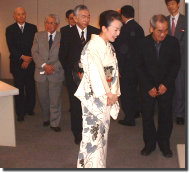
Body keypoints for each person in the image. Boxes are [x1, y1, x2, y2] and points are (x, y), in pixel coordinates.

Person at [75, 10, 122, 168]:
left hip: (107, 96)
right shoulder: (92, 47)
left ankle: (99, 166)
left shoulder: (109, 46)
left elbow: (114, 71)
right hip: (96, 98)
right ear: (104, 27)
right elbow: (94, 73)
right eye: (115, 29)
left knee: (102, 136)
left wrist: (114, 93)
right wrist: (107, 93)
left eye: (119, 29)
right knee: (92, 138)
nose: (118, 33)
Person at [136, 14, 180, 158]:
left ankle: (164, 143)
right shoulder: (142, 43)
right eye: (159, 31)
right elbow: (139, 67)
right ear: (151, 28)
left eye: (165, 30)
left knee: (166, 116)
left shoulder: (173, 42)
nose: (163, 34)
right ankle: (149, 144)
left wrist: (166, 84)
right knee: (147, 116)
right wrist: (149, 86)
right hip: (147, 87)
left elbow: (175, 65)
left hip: (166, 86)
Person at [59, 5, 99, 144]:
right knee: (76, 106)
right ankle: (77, 133)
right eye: (83, 16)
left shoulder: (95, 32)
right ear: (75, 18)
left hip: (91, 77)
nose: (86, 19)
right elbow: (62, 56)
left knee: (90, 106)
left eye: (88, 16)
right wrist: (73, 72)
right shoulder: (66, 33)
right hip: (74, 78)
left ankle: (91, 132)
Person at [32, 14, 64, 132]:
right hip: (41, 72)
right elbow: (34, 52)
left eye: (52, 23)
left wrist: (53, 67)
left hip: (56, 72)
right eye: (47, 22)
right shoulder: (38, 35)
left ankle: (55, 122)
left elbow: (64, 55)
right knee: (43, 98)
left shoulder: (62, 36)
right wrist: (44, 66)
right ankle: (46, 117)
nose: (49, 25)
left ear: (57, 25)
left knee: (55, 99)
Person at [113, 5, 144, 126]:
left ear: (123, 16)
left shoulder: (123, 29)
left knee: (126, 93)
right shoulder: (139, 28)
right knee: (134, 91)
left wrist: (119, 67)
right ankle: (136, 111)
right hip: (138, 66)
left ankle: (129, 118)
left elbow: (121, 51)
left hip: (126, 67)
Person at [6, 7, 37, 121]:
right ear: (14, 16)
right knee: (19, 88)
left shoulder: (33, 28)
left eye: (23, 14)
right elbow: (11, 47)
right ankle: (20, 112)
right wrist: (23, 58)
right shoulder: (10, 29)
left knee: (30, 87)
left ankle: (30, 109)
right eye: (18, 14)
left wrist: (28, 59)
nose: (21, 16)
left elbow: (35, 46)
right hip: (17, 63)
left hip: (30, 63)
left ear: (26, 15)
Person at [165, 0, 186, 125]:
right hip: (166, 61)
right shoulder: (164, 20)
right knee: (167, 87)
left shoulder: (186, 20)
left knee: (179, 88)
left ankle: (179, 113)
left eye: (172, 3)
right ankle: (169, 111)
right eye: (168, 4)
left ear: (178, 4)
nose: (170, 6)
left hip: (181, 60)